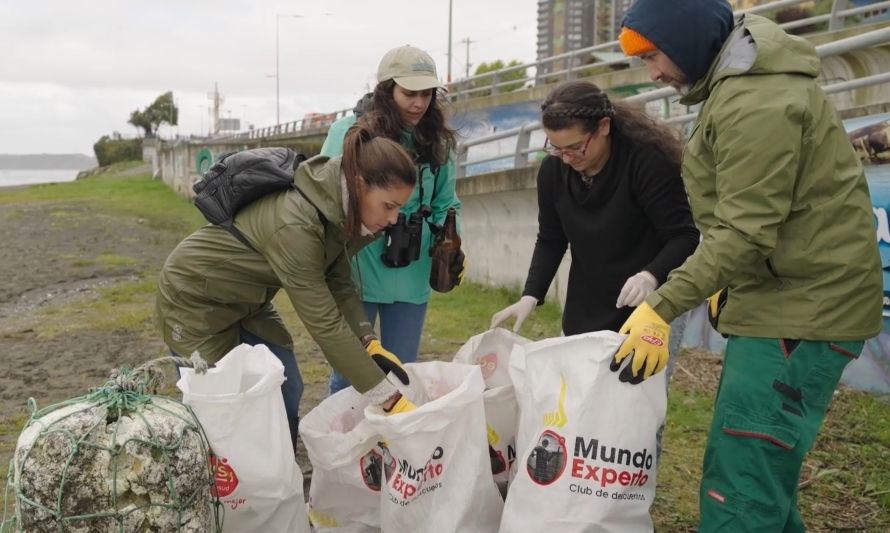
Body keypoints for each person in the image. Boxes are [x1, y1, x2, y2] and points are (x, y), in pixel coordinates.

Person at [615, 1, 883, 531]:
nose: (653, 74)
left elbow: (744, 230)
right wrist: (729, 281)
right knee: (756, 476)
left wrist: (661, 306)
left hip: (798, 309)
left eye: (655, 56)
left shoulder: (753, 100)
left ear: (687, 38)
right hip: (785, 297)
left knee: (738, 488)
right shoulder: (738, 84)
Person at [155, 123, 421, 453]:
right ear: (359, 184)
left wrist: (368, 341)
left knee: (286, 386)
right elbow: (324, 324)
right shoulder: (297, 223)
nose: (394, 219)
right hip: (193, 301)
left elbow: (338, 281)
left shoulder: (337, 208)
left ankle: (278, 470)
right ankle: (224, 488)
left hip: (248, 302)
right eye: (389, 206)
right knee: (216, 411)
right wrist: (386, 397)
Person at [490, 80, 699, 342]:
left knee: (634, 381)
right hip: (585, 306)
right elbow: (551, 239)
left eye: (575, 148)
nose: (567, 158)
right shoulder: (554, 171)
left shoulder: (647, 162)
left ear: (603, 126)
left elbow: (683, 236)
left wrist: (650, 275)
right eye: (557, 148)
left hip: (647, 308)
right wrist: (531, 296)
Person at [321, 44, 464, 395]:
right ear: (387, 90)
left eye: (427, 94)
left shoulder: (438, 142)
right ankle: (344, 446)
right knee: (351, 371)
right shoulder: (347, 132)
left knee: (403, 370)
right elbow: (321, 193)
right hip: (359, 264)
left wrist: (453, 247)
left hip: (412, 269)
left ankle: (389, 444)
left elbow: (446, 200)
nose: (419, 103)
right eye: (409, 93)